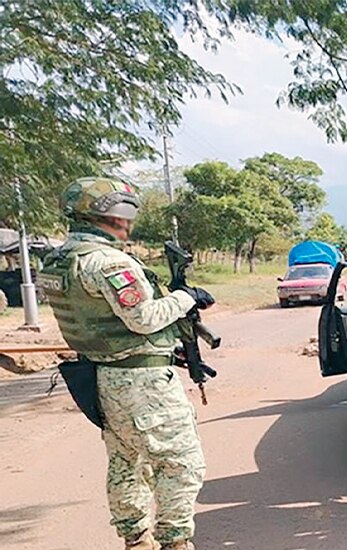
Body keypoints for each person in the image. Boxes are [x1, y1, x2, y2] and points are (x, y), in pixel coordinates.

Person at [38, 177, 214, 550]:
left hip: (99, 376)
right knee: (181, 464)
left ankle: (136, 541)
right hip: (141, 383)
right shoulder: (106, 261)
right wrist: (186, 297)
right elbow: (144, 318)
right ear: (114, 214)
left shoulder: (57, 259)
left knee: (125, 461)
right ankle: (174, 543)